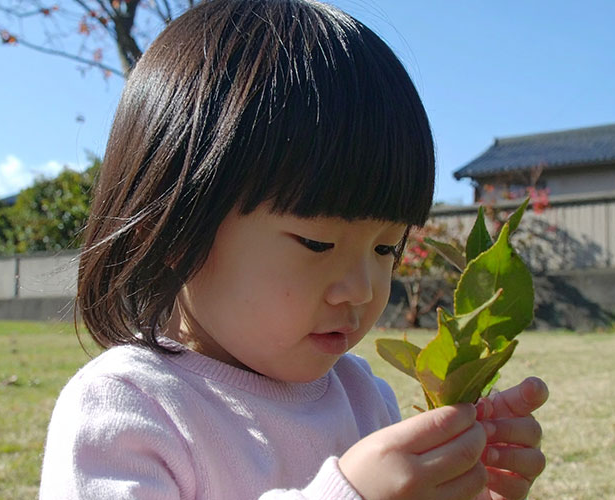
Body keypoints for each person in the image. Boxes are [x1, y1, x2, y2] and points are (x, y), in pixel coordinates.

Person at [39, 1, 548, 498]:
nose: (361, 289)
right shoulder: (128, 409)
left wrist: (466, 484)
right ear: (173, 229)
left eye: (387, 247)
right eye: (317, 242)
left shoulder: (363, 398)